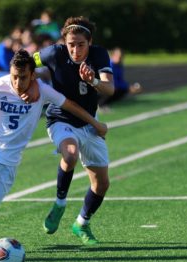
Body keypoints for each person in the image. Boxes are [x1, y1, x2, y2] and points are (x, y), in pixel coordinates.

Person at [0, 49, 107, 255]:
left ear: (33, 76)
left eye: (23, 77)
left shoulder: (42, 90)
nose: (18, 82)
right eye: (14, 77)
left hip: (10, 160)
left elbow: (69, 104)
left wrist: (95, 123)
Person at [30, 16, 115, 245]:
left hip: (88, 122)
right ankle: (59, 204)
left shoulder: (99, 55)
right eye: (71, 44)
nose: (75, 50)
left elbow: (110, 89)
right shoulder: (53, 54)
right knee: (70, 153)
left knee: (102, 184)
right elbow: (26, 62)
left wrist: (94, 82)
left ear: (90, 43)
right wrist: (23, 83)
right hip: (61, 119)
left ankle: (81, 223)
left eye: (81, 45)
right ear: (64, 43)